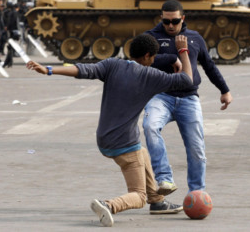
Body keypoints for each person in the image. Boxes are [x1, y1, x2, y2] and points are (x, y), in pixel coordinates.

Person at [26, 34, 193, 227]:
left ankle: (156, 202)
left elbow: (83, 69)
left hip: (104, 139)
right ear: (148, 56)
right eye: (154, 57)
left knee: (143, 153)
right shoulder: (152, 77)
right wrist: (183, 51)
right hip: (125, 145)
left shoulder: (113, 65)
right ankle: (108, 205)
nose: (154, 60)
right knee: (138, 196)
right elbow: (187, 80)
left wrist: (48, 69)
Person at [143, 0, 232, 194]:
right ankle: (164, 179)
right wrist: (171, 57)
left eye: (175, 21)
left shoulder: (195, 38)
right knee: (149, 127)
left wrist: (224, 90)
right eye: (166, 22)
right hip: (161, 96)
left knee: (197, 149)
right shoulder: (151, 37)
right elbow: (140, 58)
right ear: (161, 19)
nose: (171, 26)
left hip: (189, 98)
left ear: (183, 18)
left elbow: (209, 65)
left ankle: (197, 193)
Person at [3, 3, 21, 68]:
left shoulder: (11, 13)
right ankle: (8, 62)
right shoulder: (15, 13)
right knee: (11, 48)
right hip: (14, 33)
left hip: (11, 32)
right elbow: (15, 24)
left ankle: (8, 62)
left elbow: (9, 23)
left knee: (10, 48)